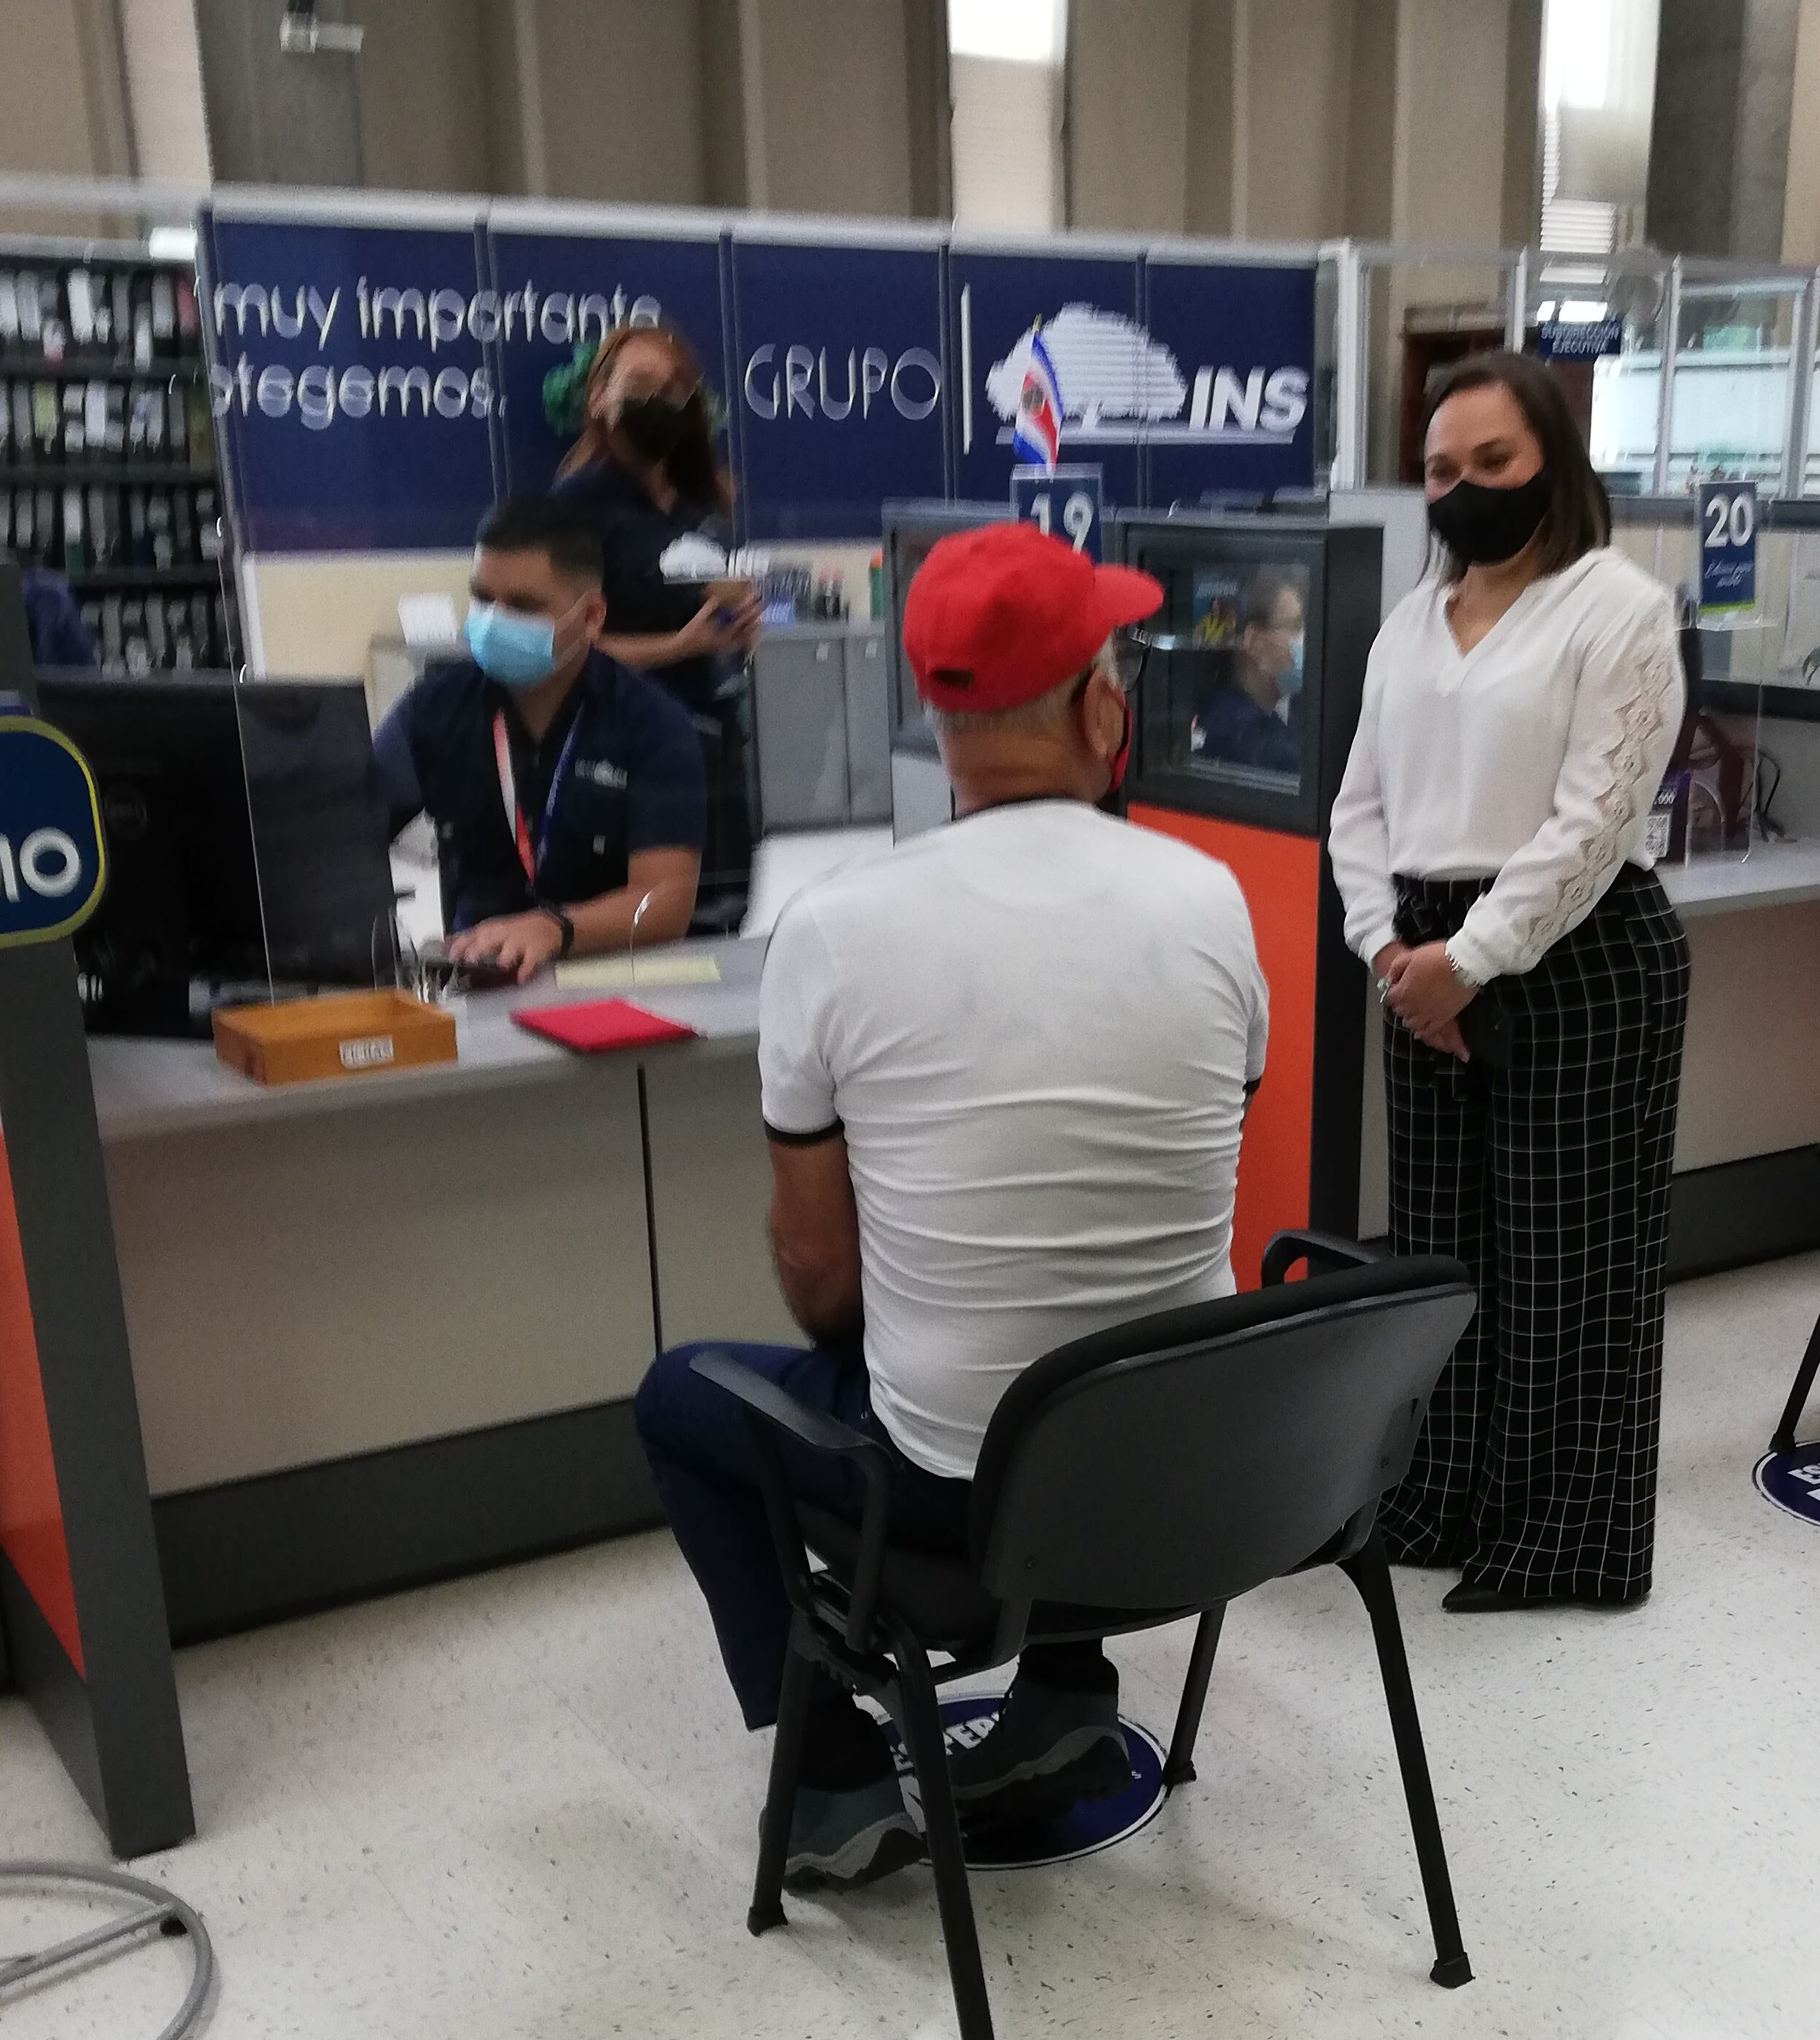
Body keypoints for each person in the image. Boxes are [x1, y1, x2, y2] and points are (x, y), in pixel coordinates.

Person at [635, 523, 1269, 1891]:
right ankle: (1057, 1706)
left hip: (959, 1514)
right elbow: (1191, 1163)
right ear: (1106, 705)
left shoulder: (838, 930)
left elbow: (813, 1280)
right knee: (1093, 1331)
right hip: (1212, 1479)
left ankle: (834, 1777)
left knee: (684, 1395)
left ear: (935, 714)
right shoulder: (1212, 899)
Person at [1327, 349, 1690, 1613]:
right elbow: (1358, 811)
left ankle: (1562, 1538)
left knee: (1567, 1259)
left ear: (1554, 467)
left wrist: (1470, 960)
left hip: (1573, 953)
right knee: (1442, 1256)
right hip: (1417, 956)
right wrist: (1388, 949)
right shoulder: (1406, 626)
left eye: (1494, 462)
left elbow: (1597, 821)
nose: (1464, 486)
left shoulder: (1617, 609)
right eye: (1440, 468)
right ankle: (1440, 1498)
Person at [373, 496, 705, 981]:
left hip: (615, 977)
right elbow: (346, 833)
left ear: (590, 618)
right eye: (483, 599)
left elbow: (664, 903)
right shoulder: (435, 708)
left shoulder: (652, 723)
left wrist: (554, 930)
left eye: (523, 606)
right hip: (482, 976)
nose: (493, 620)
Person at [552, 323, 763, 934]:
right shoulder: (574, 509)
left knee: (720, 919)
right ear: (599, 397)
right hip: (624, 756)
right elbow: (564, 650)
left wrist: (736, 630)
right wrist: (681, 646)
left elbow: (702, 608)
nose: (659, 403)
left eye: (674, 391)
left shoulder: (703, 502)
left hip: (715, 746)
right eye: (640, 385)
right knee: (649, 929)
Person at [1190, 566, 1305, 777]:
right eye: (1294, 626)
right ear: (1254, 641)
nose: (1302, 639)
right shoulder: (1245, 738)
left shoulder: (1264, 723)